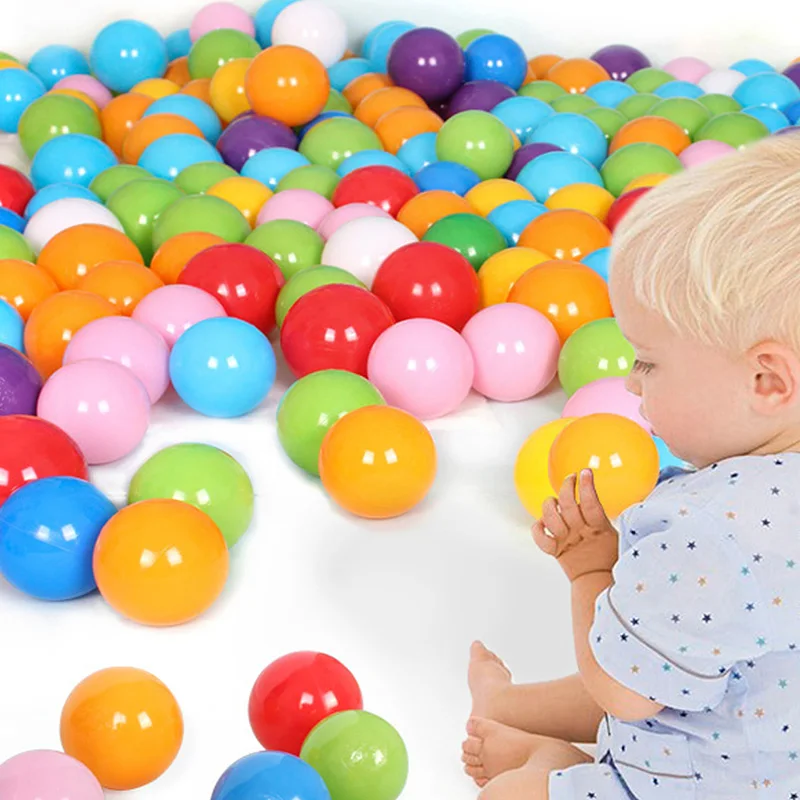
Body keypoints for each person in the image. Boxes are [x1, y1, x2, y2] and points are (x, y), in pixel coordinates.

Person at [462, 134, 800, 799]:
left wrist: (589, 568)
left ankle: (555, 766)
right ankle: (509, 708)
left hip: (700, 783)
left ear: (766, 380)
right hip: (767, 745)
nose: (632, 382)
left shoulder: (713, 530)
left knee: (525, 773)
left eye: (648, 360)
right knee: (671, 657)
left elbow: (623, 691)